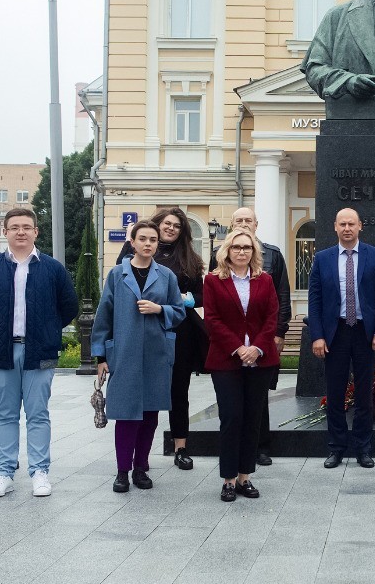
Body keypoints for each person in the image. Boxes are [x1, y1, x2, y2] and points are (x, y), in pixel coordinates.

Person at [0, 207, 79, 499]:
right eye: (14, 227)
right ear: (5, 233)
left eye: (26, 227)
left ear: (36, 232)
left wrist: (47, 329)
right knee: (5, 414)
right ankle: (3, 473)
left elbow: (69, 306)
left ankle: (40, 472)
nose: (21, 232)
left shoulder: (52, 269)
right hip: (1, 351)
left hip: (39, 351)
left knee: (38, 414)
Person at [96, 220, 186, 493]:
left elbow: (179, 312)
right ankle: (122, 471)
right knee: (126, 415)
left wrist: (160, 309)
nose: (148, 244)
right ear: (132, 242)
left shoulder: (166, 276)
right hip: (124, 353)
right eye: (143, 239)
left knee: (149, 415)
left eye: (153, 240)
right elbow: (104, 315)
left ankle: (141, 468)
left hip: (156, 354)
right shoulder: (117, 274)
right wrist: (100, 356)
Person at [116, 207, 207, 470]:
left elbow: (201, 296)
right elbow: (120, 280)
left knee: (179, 391)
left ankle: (181, 447)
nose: (171, 228)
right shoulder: (135, 251)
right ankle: (135, 454)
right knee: (144, 392)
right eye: (167, 223)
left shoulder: (190, 258)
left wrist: (187, 299)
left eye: (177, 226)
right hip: (143, 329)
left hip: (180, 330)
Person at [307, 208, 375, 469]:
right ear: (335, 226)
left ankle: (363, 449)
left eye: (351, 224)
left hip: (365, 333)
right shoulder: (322, 258)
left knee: (364, 395)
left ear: (360, 226)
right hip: (336, 333)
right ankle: (336, 448)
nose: (347, 228)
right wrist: (317, 336)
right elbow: (315, 300)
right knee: (335, 393)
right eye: (342, 224)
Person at [204, 229, 280, 501]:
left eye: (247, 247)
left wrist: (256, 348)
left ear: (254, 252)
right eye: (236, 247)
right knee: (231, 417)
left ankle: (244, 477)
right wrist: (238, 348)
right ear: (227, 250)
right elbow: (212, 319)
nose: (241, 251)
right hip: (226, 359)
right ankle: (228, 479)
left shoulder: (265, 280)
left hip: (260, 360)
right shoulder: (213, 280)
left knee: (252, 418)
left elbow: (271, 317)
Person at [228, 207, 291, 466]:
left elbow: (282, 295)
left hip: (263, 339)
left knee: (259, 396)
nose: (244, 224)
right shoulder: (220, 254)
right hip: (231, 341)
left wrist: (279, 332)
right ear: (232, 224)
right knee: (231, 397)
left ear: (256, 224)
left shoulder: (272, 255)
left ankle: (260, 446)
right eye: (239, 220)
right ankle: (234, 446)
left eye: (248, 220)